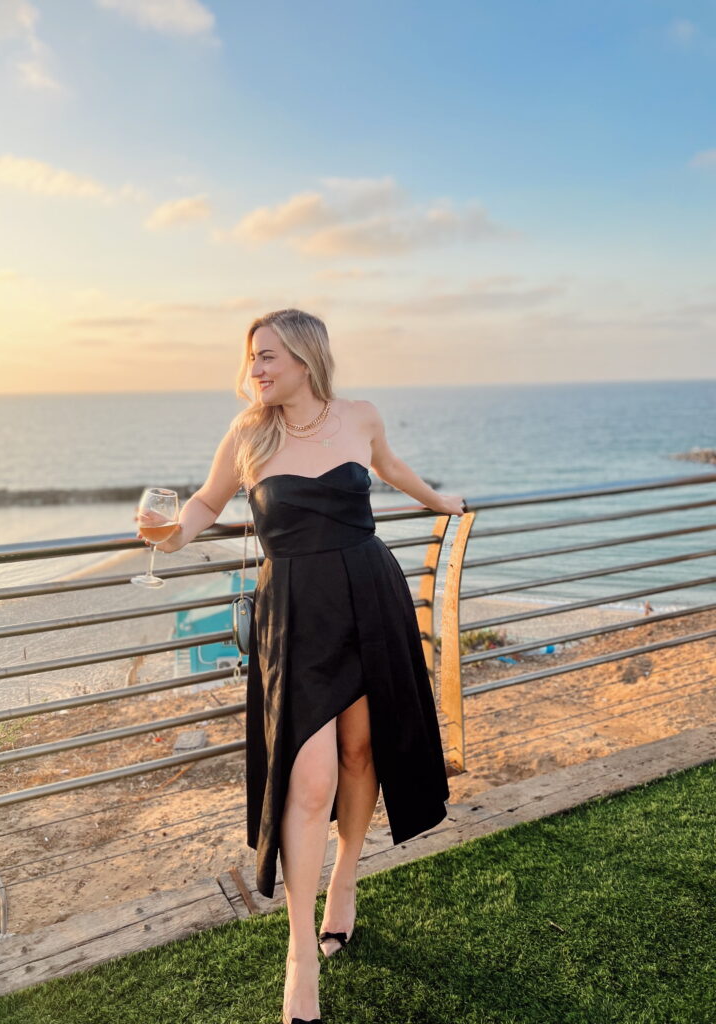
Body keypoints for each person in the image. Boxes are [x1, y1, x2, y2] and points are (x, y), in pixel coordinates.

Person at [137, 308, 467, 1024]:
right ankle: (297, 955)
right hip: (295, 614)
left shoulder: (360, 416)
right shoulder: (249, 433)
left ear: (306, 359)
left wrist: (441, 502)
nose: (254, 370)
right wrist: (171, 536)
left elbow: (393, 469)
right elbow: (205, 500)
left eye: (267, 357)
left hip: (371, 595)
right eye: (251, 358)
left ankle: (344, 883)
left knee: (358, 755)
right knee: (309, 778)